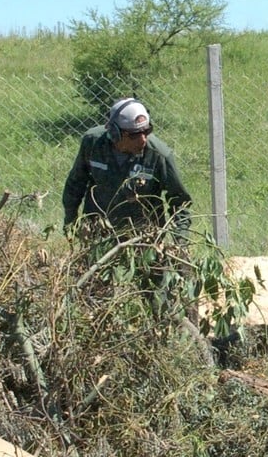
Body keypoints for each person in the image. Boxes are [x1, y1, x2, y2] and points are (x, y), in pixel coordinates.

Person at [62, 97, 194, 319]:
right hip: (99, 232)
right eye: (134, 134)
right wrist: (71, 222)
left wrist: (179, 243)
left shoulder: (159, 155)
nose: (143, 138)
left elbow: (180, 202)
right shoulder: (93, 143)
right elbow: (76, 182)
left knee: (156, 296)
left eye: (147, 131)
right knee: (94, 291)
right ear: (114, 133)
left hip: (145, 236)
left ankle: (162, 334)